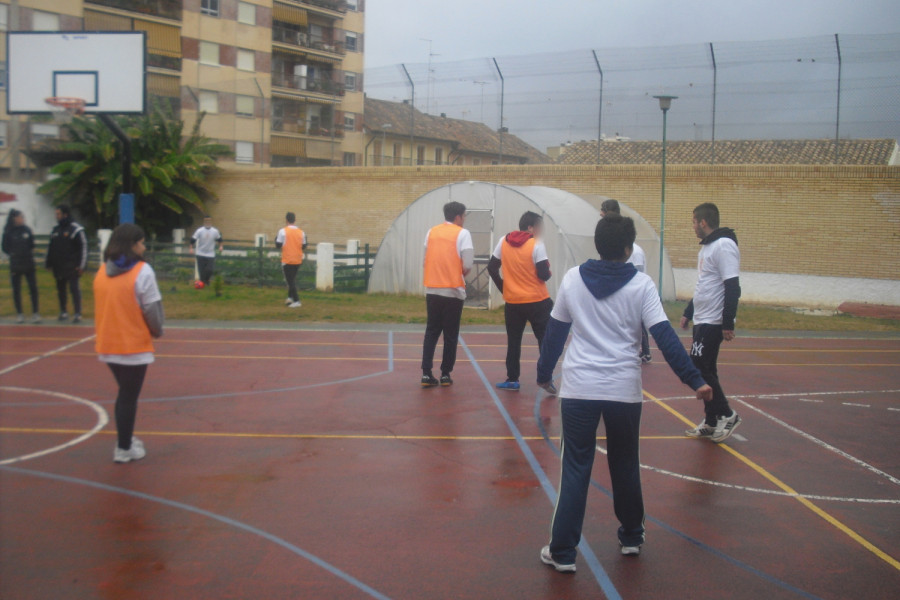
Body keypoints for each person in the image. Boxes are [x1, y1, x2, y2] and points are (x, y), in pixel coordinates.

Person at [536, 214, 712, 570]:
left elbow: (555, 333)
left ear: (598, 245)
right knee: (625, 463)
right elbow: (664, 336)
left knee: (574, 468)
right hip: (623, 391)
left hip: (580, 389)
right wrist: (694, 379)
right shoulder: (641, 285)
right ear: (629, 249)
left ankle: (563, 552)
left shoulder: (572, 279)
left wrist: (543, 373)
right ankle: (631, 535)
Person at [93, 223, 164, 464]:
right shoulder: (142, 271)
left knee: (125, 395)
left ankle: (126, 440)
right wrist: (157, 329)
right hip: (132, 344)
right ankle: (124, 447)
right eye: (142, 242)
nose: (144, 247)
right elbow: (151, 308)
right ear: (132, 245)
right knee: (127, 397)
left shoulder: (102, 270)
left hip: (108, 343)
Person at [680, 202, 742, 443]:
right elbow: (704, 285)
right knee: (706, 369)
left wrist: (727, 322)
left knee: (699, 367)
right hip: (702, 318)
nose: (693, 227)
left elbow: (732, 286)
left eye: (694, 222)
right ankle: (712, 420)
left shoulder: (724, 246)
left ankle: (728, 414)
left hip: (714, 320)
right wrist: (689, 311)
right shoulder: (706, 249)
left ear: (703, 222)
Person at [487, 211, 553, 391]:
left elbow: (492, 267)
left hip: (514, 302)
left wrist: (504, 287)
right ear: (531, 227)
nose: (541, 230)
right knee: (544, 340)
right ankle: (546, 377)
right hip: (537, 300)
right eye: (539, 226)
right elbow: (543, 274)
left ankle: (512, 379)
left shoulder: (503, 241)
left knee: (514, 341)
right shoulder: (536, 244)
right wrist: (548, 270)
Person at [420, 201, 473, 388]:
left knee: (432, 331)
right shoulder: (463, 234)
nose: (464, 220)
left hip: (432, 289)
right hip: (453, 290)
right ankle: (445, 374)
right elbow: (467, 263)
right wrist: (457, 272)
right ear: (458, 216)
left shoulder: (431, 232)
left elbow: (425, 259)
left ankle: (426, 373)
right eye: (464, 216)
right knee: (450, 334)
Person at [601, 199, 651, 363]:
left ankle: (644, 350)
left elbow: (638, 273)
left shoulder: (635, 253)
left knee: (636, 322)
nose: (600, 215)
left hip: (628, 294)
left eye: (603, 212)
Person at [46, 204, 87, 323]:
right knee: (61, 289)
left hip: (72, 266)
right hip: (59, 266)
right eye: (56, 214)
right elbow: (51, 247)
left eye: (58, 214)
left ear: (65, 214)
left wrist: (82, 265)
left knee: (74, 289)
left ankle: (77, 313)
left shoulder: (76, 229)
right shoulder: (55, 230)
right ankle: (63, 311)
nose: (56, 216)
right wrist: (49, 263)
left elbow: (83, 247)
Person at [2, 209, 41, 323]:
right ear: (14, 218)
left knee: (33, 288)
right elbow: (5, 247)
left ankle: (35, 313)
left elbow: (31, 244)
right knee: (16, 290)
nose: (22, 219)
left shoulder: (27, 230)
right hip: (16, 264)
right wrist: (14, 254)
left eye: (23, 217)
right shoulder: (8, 232)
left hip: (28, 263)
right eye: (20, 217)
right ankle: (20, 313)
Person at [275, 212, 307, 308]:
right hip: (297, 259)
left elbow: (278, 245)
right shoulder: (301, 232)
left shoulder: (282, 231)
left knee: (290, 281)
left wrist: (275, 239)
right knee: (292, 279)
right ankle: (290, 297)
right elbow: (304, 245)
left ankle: (297, 301)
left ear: (286, 220)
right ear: (294, 220)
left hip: (287, 259)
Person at [189, 215, 223, 287]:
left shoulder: (215, 231)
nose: (208, 222)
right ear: (204, 222)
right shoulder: (200, 230)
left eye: (209, 221)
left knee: (209, 269)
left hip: (210, 254)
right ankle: (202, 284)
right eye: (206, 221)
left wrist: (221, 246)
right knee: (201, 270)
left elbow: (220, 239)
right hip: (200, 253)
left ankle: (206, 280)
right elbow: (193, 239)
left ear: (211, 221)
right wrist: (191, 248)